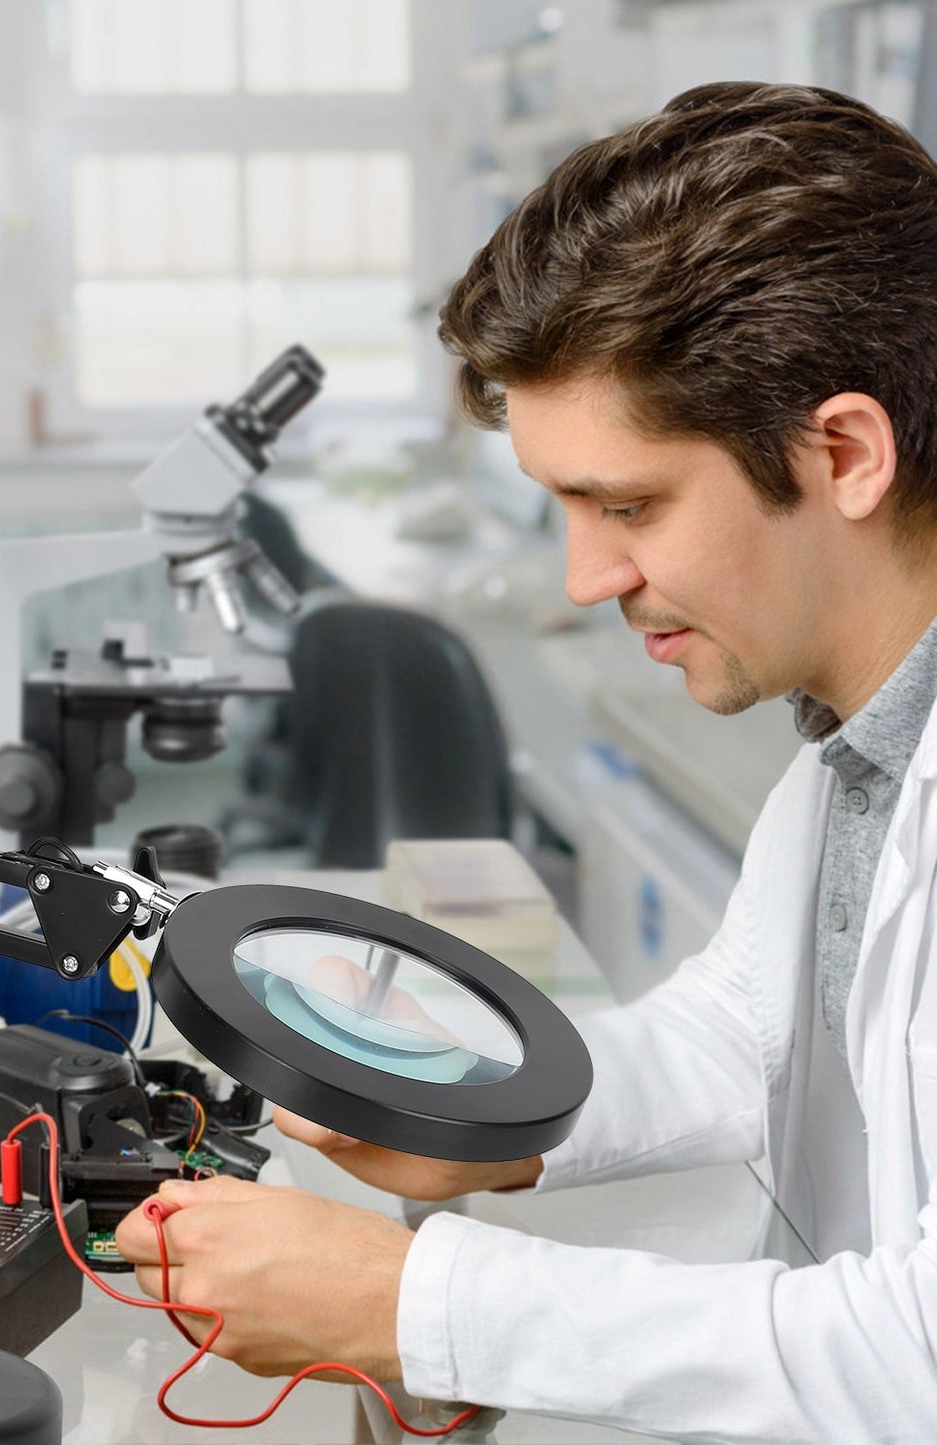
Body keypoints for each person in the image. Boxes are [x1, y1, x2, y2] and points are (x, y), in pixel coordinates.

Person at [113, 80, 937, 1441]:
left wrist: (413, 1300)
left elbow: (916, 1352)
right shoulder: (856, 738)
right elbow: (741, 1037)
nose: (580, 575)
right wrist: (486, 1116)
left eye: (627, 505)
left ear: (841, 451)